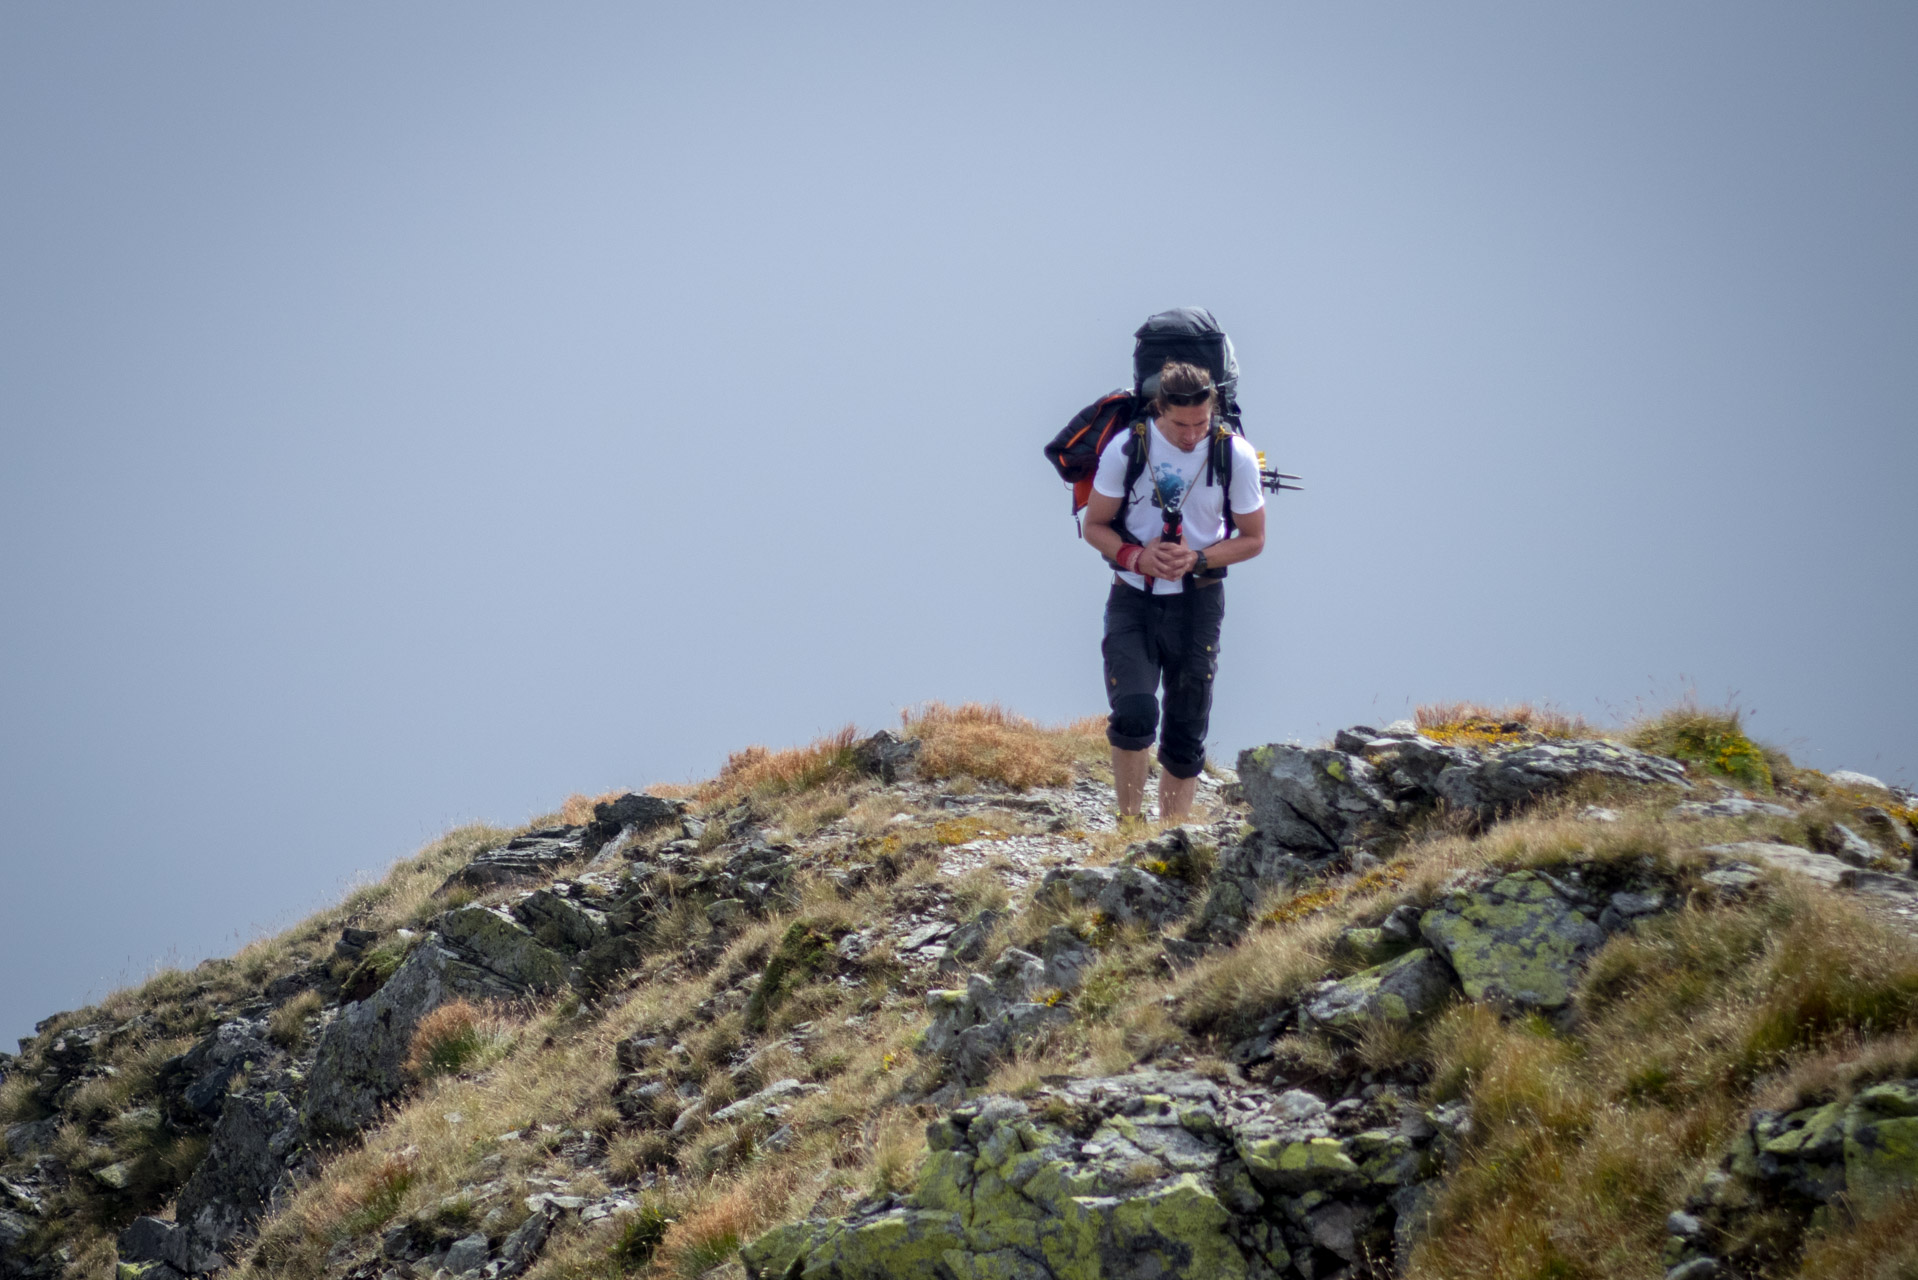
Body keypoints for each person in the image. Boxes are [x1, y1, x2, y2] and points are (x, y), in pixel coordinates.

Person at [1082, 360, 1266, 825]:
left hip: (1198, 603)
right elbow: (1095, 525)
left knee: (1186, 729)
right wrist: (1136, 558)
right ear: (1159, 409)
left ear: (1214, 409)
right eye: (1181, 425)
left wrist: (1198, 559)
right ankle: (1127, 828)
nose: (1190, 435)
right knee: (1135, 712)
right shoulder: (1128, 449)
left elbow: (1254, 538)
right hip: (1133, 598)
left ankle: (1170, 837)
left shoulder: (1235, 455)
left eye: (1201, 423)